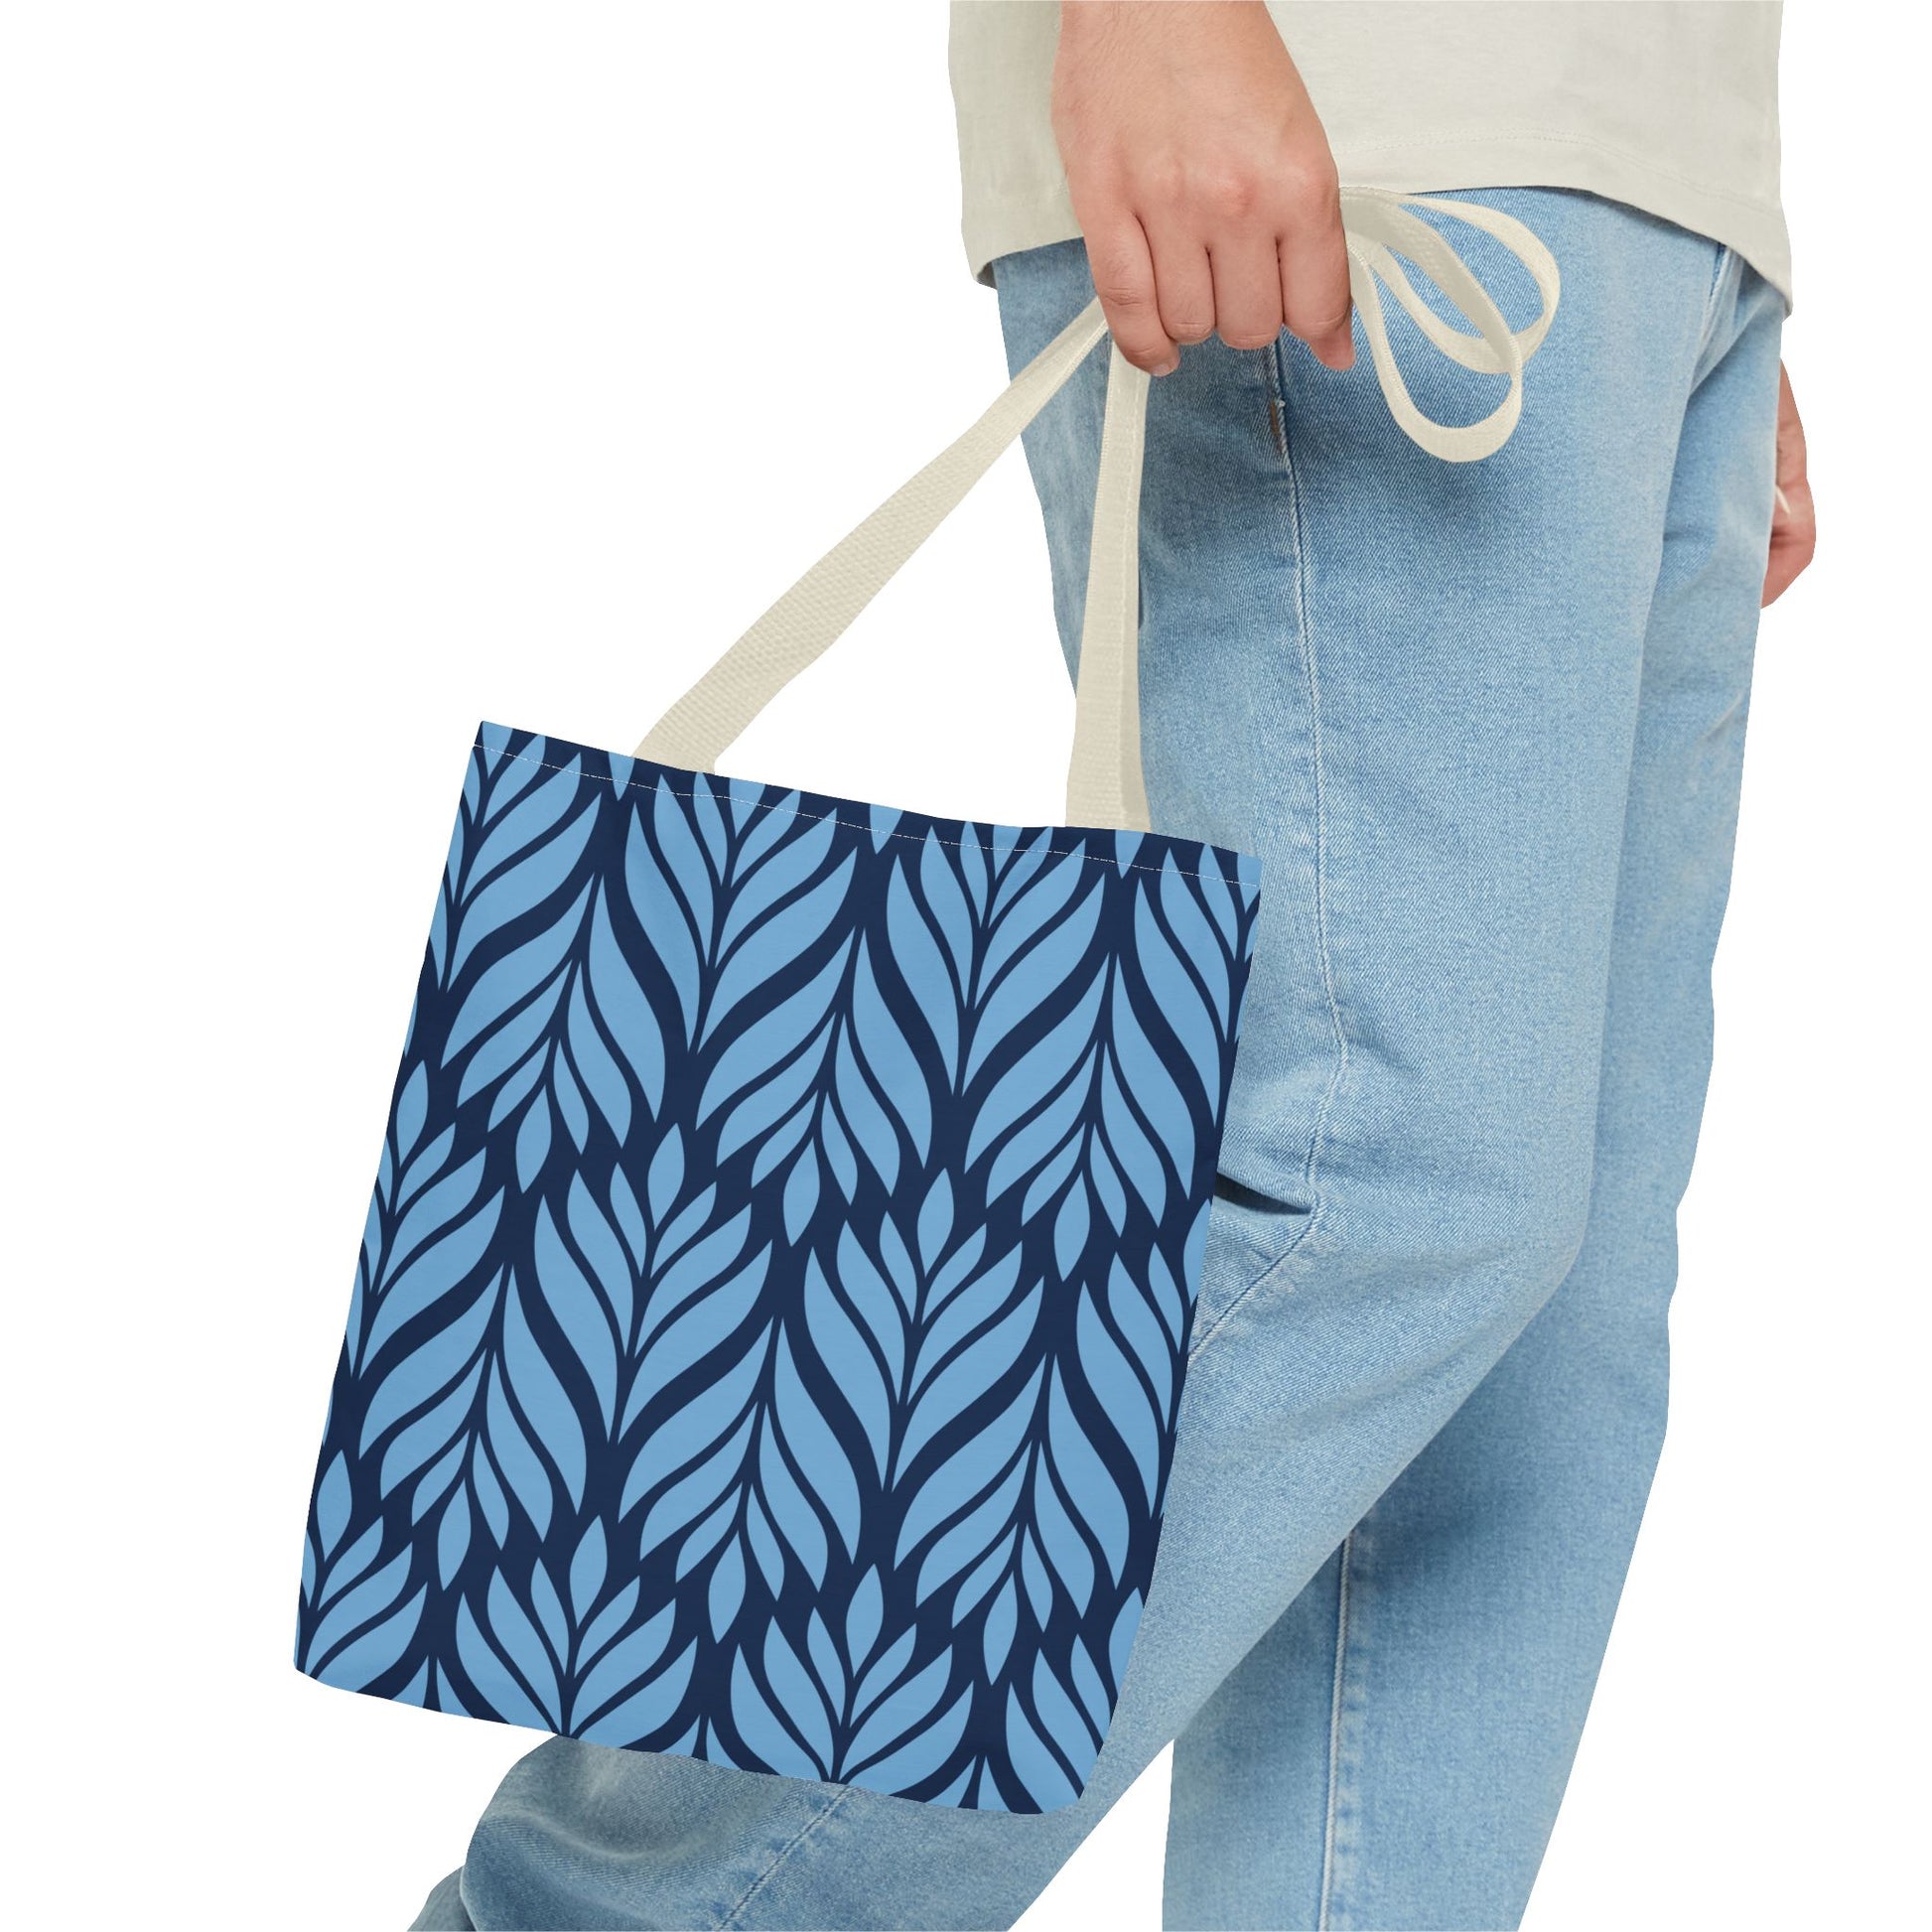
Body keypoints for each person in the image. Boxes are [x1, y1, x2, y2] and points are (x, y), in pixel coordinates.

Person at [412, 4, 1814, 1926]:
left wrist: (1697, 232)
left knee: (1534, 1353)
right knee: (1373, 1186)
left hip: (1643, 188)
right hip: (1367, 119)